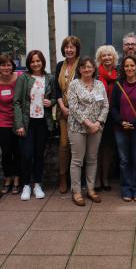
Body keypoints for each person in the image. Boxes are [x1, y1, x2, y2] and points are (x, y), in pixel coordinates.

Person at [14, 50, 56, 201]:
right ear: (29, 63)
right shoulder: (24, 78)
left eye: (38, 61)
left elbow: (54, 97)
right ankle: (26, 185)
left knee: (39, 154)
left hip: (43, 122)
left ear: (42, 62)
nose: (35, 63)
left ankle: (37, 184)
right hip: (27, 122)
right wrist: (19, 124)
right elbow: (17, 102)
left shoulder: (49, 78)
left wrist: (51, 102)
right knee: (26, 155)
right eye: (32, 61)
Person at [67, 57, 109, 206]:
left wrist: (97, 123)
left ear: (93, 69)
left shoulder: (99, 84)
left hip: (96, 128)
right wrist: (88, 123)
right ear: (79, 69)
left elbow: (105, 105)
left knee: (92, 159)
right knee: (77, 160)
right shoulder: (74, 85)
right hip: (77, 127)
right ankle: (77, 192)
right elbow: (73, 107)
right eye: (84, 67)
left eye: (89, 67)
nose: (86, 69)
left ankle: (91, 189)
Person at [111, 55, 136, 202]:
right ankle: (126, 188)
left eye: (132, 66)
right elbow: (113, 107)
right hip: (120, 128)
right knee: (124, 160)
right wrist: (121, 121)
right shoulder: (118, 85)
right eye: (127, 66)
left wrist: (135, 122)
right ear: (123, 68)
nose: (129, 68)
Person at [0, 54, 20, 194]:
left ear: (13, 66)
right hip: (4, 121)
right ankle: (7, 178)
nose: (6, 67)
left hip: (19, 121)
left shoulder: (19, 78)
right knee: (6, 152)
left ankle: (17, 179)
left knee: (18, 152)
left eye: (8, 64)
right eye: (3, 65)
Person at [54, 35, 81, 194]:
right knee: (64, 145)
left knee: (77, 147)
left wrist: (75, 109)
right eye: (66, 47)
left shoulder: (81, 65)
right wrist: (62, 106)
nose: (69, 50)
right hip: (63, 111)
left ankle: (77, 179)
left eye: (72, 47)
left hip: (79, 112)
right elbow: (57, 88)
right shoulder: (59, 65)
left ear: (77, 49)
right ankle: (62, 177)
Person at [95, 45, 119, 191]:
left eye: (109, 55)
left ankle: (105, 178)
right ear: (100, 58)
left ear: (114, 57)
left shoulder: (119, 74)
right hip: (97, 115)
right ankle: (96, 178)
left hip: (113, 116)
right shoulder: (96, 74)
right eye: (104, 55)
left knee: (108, 148)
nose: (107, 58)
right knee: (96, 148)